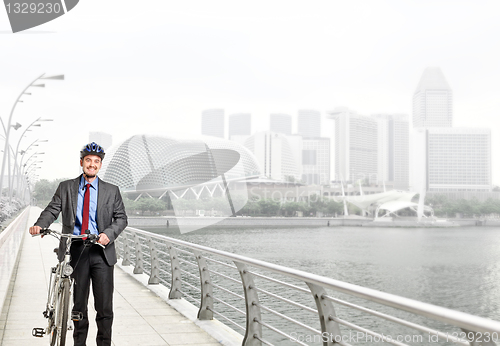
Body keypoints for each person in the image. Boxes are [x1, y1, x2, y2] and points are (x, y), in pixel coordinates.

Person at [29, 142, 128, 346]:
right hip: (76, 250)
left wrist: (108, 234)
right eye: (89, 160)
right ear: (82, 162)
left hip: (101, 252)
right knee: (78, 306)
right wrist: (40, 225)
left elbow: (121, 218)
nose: (92, 164)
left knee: (104, 308)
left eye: (96, 162)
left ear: (100, 165)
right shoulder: (66, 187)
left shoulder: (112, 191)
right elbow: (52, 209)